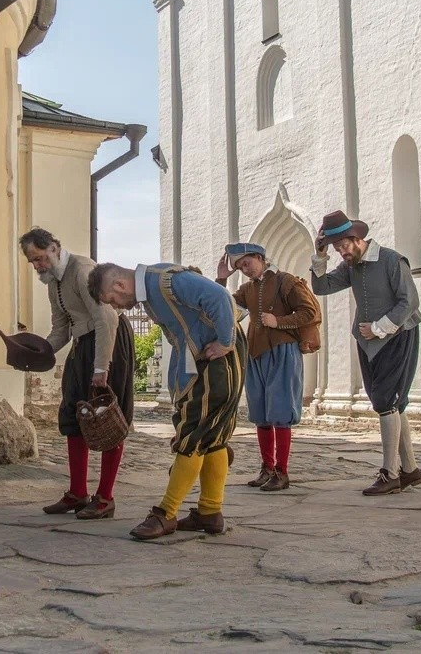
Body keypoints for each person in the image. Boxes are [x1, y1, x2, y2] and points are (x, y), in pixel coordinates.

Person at [89, 261, 245, 541]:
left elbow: (219, 296)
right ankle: (210, 512)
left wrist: (225, 341)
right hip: (206, 359)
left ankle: (166, 513)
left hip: (217, 358)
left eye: (112, 300)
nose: (117, 307)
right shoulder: (151, 288)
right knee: (212, 436)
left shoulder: (164, 281)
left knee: (193, 433)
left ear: (119, 285)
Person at [19, 228, 134, 521]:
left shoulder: (82, 269)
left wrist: (101, 368)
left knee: (108, 415)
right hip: (84, 344)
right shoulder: (52, 281)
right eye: (33, 262)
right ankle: (77, 492)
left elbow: (106, 317)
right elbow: (61, 328)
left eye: (41, 258)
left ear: (55, 248)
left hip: (110, 342)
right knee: (74, 414)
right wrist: (39, 352)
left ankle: (105, 497)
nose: (38, 266)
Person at [310, 210, 421, 496]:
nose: (341, 252)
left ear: (356, 238)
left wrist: (378, 327)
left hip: (398, 334)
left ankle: (390, 473)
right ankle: (409, 469)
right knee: (389, 402)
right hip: (367, 341)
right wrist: (320, 256)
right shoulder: (350, 266)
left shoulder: (390, 259)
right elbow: (321, 287)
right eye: (335, 248)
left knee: (387, 400)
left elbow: (409, 301)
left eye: (343, 246)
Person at [215, 242, 320, 491]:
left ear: (260, 258)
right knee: (261, 412)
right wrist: (220, 280)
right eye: (240, 267)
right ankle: (267, 468)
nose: (245, 269)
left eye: (247, 263)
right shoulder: (247, 289)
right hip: (255, 353)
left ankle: (282, 472)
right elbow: (225, 311)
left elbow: (310, 312)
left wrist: (278, 321)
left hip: (283, 351)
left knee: (281, 412)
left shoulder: (287, 281)